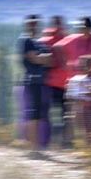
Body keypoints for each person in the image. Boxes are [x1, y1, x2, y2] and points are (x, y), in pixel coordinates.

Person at [18, 14, 51, 154]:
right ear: (27, 24)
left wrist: (41, 58)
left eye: (35, 23)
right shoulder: (26, 40)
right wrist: (42, 58)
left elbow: (50, 61)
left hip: (41, 82)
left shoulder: (39, 42)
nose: (33, 26)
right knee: (32, 115)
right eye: (31, 23)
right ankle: (32, 147)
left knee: (38, 115)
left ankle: (36, 146)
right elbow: (35, 59)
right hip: (31, 81)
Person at [39, 15, 72, 147]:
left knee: (63, 115)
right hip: (56, 83)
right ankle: (59, 142)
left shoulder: (45, 41)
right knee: (59, 114)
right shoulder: (67, 40)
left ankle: (59, 142)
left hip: (62, 83)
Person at [66, 55, 91, 146]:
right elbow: (70, 94)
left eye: (84, 66)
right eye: (80, 65)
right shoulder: (74, 79)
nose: (81, 68)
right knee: (82, 126)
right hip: (79, 106)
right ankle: (86, 145)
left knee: (90, 127)